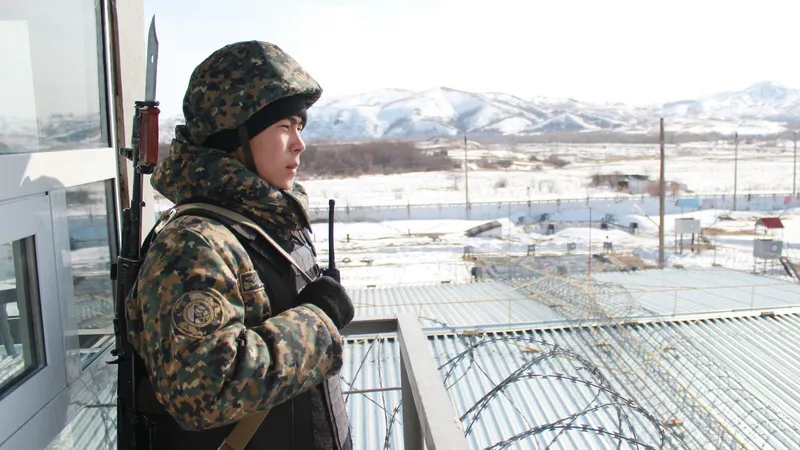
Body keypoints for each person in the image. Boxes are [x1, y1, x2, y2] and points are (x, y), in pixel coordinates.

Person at [125, 41, 354, 450]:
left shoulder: (262, 224)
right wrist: (318, 322)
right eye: (283, 127)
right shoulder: (193, 245)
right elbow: (205, 391)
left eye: (299, 127)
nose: (299, 144)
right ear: (234, 136)